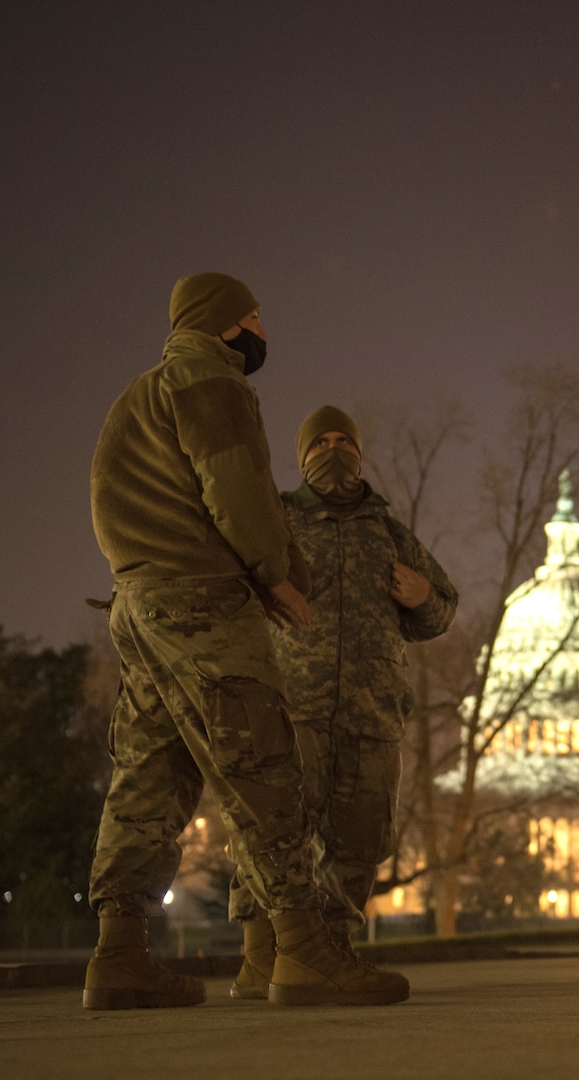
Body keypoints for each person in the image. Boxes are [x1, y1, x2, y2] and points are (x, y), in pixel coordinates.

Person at [85, 273, 400, 1009]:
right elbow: (239, 486)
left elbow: (107, 494)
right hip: (201, 601)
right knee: (262, 767)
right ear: (226, 323)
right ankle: (303, 949)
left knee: (148, 778)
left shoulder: (138, 395)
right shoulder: (211, 383)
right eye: (253, 317)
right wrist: (276, 572)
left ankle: (119, 953)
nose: (261, 331)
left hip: (139, 601)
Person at [227, 405, 458, 1003]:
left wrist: (423, 594)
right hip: (292, 706)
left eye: (343, 442)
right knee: (275, 830)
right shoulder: (275, 522)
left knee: (361, 840)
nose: (334, 451)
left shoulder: (387, 530)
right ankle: (261, 958)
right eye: (320, 443)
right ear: (302, 458)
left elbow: (443, 609)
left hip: (371, 711)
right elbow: (230, 594)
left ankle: (330, 952)